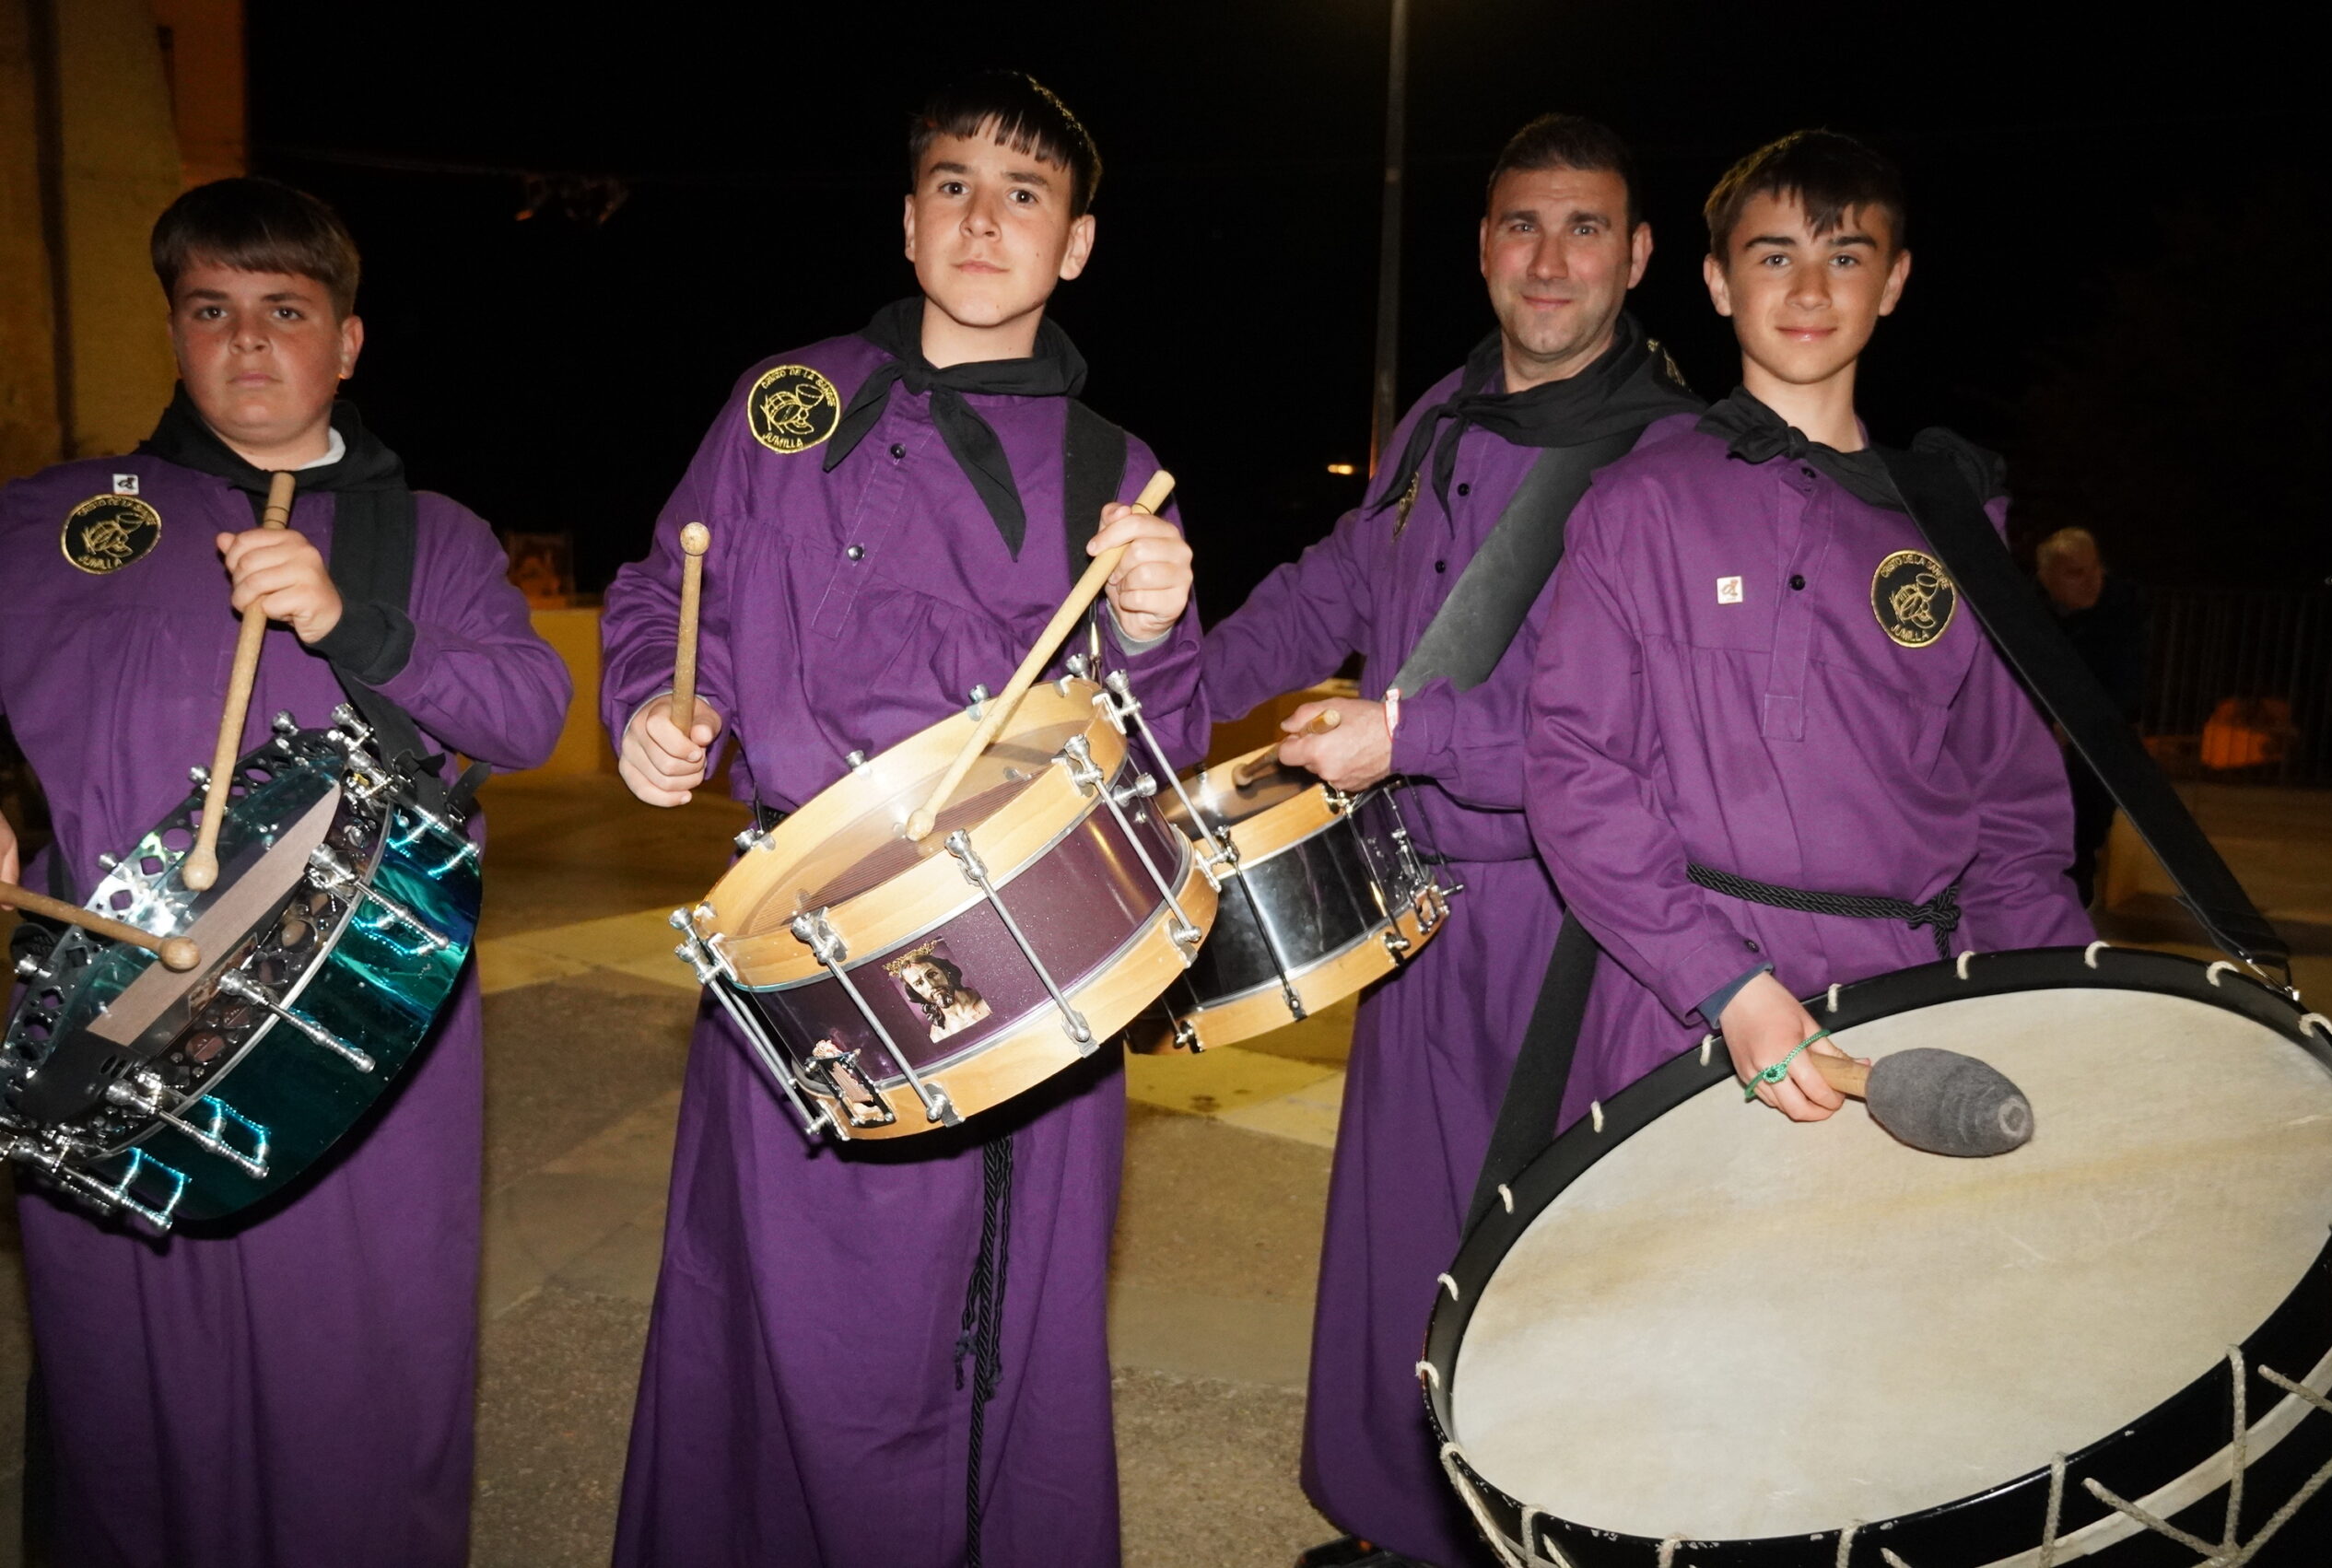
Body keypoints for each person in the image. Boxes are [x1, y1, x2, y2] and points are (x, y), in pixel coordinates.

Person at [599, 71, 1202, 1568]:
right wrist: (659, 706)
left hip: (1010, 956)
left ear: (1076, 244)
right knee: (771, 1318)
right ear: (908, 219)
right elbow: (670, 593)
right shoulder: (783, 400)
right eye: (953, 184)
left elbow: (1156, 766)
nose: (984, 219)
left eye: (1025, 194)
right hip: (789, 928)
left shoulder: (1117, 473)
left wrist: (1148, 629)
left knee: (968, 1349)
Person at [0, 178, 570, 1567]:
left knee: (355, 1383)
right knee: (132, 1400)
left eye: (286, 310)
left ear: (348, 342)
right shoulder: (63, 515)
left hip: (367, 1016)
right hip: (111, 1018)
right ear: (174, 332)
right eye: (212, 310)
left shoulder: (431, 535)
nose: (248, 341)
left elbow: (528, 714)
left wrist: (348, 619)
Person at [1201, 115, 1698, 1568]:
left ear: (1638, 255)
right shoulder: (1440, 414)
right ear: (1483, 247)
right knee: (1400, 1235)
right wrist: (1164, 697)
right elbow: (1336, 586)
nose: (1550, 258)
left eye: (1585, 228)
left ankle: (1533, 1540)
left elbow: (1641, 731)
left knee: (1539, 1251)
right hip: (1410, 889)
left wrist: (1415, 736)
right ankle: (1406, 1527)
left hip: (1569, 918)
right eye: (1522, 225)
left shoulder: (1677, 457)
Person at [1525, 129, 2092, 1130]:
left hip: (1906, 1005)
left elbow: (2012, 818)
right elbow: (1576, 770)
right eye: (1775, 256)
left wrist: (2060, 1014)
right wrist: (1723, 982)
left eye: (1846, 256)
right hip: (1682, 1004)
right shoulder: (1637, 506)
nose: (1811, 290)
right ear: (1717, 281)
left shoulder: (1951, 524)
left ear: (1894, 281)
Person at [2036, 526, 2144, 902]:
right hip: (2040, 734)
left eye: (2095, 568)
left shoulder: (2120, 611)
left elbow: (2127, 689)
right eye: (2076, 572)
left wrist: (2078, 724)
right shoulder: (2028, 613)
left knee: (2086, 807)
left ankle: (2074, 890)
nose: (2091, 580)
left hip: (2096, 738)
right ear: (2048, 577)